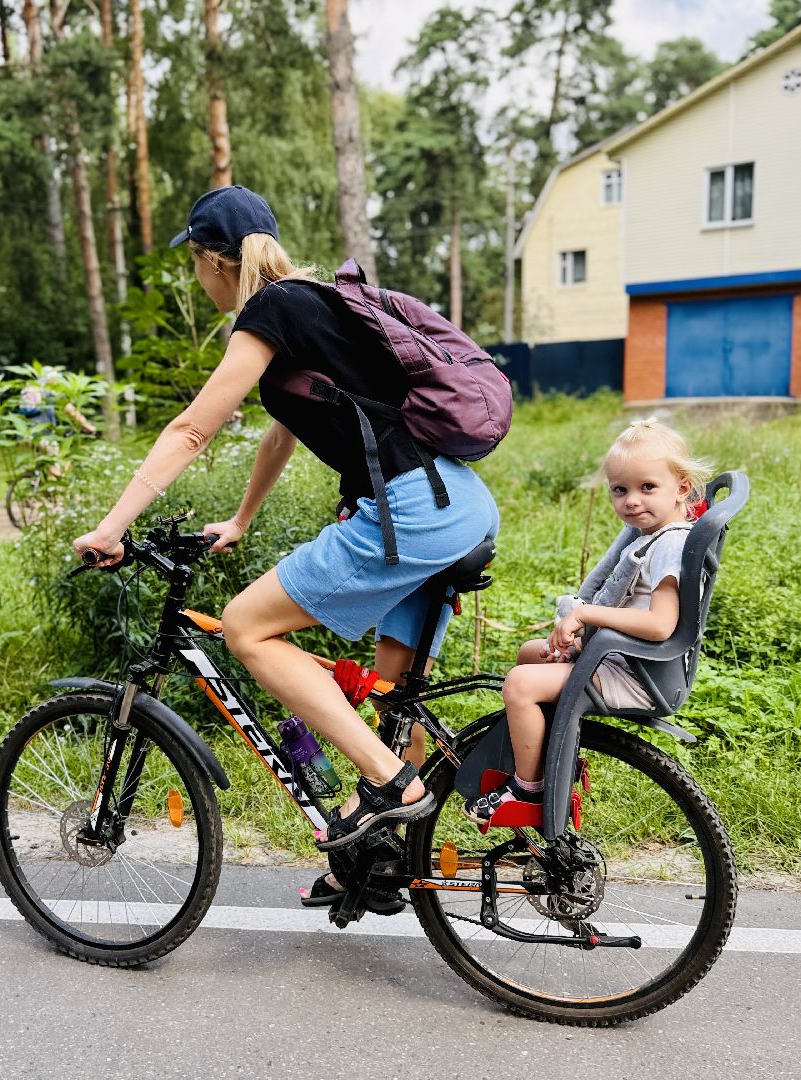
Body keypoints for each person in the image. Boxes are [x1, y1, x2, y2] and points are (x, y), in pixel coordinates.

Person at [71, 185, 500, 904]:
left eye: (195, 266)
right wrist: (241, 519)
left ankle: (395, 785)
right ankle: (369, 866)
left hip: (411, 512)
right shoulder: (316, 301)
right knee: (393, 703)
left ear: (213, 261)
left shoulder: (266, 311)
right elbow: (283, 429)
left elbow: (190, 429)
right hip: (458, 503)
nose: (197, 278)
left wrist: (111, 526)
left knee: (245, 626)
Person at [465, 418, 710, 823]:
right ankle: (548, 758)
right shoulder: (652, 534)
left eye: (647, 487)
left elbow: (661, 626)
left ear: (682, 488)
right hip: (621, 658)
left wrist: (585, 613)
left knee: (520, 685)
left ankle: (527, 790)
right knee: (530, 654)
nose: (632, 500)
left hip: (637, 673)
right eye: (620, 489)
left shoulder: (670, 544)